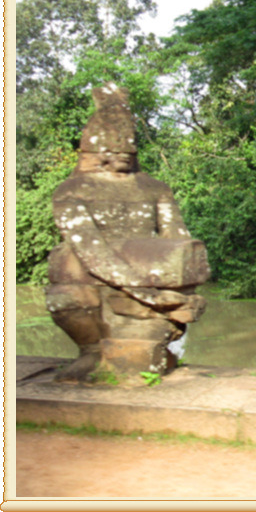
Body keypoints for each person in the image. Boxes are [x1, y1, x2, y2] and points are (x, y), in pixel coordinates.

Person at [46, 83, 209, 381]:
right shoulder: (72, 190)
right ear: (95, 143)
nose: (126, 147)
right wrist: (137, 287)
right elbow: (89, 247)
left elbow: (177, 238)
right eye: (115, 140)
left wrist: (184, 277)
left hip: (146, 267)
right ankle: (92, 352)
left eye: (130, 140)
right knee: (64, 267)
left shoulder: (154, 188)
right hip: (100, 273)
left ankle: (149, 348)